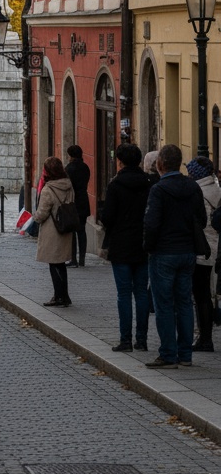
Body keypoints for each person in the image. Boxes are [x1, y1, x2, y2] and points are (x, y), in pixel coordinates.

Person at [143, 144, 206, 367]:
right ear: (179, 163)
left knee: (164, 305)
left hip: (163, 253)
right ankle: (185, 355)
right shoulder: (193, 187)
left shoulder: (159, 190)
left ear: (160, 164)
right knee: (185, 303)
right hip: (187, 252)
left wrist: (148, 246)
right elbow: (202, 219)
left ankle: (168, 354)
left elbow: (151, 224)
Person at [100, 144, 151, 353]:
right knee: (141, 293)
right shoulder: (149, 184)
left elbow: (107, 218)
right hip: (144, 244)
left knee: (124, 294)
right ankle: (142, 340)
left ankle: (126, 340)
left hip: (121, 245)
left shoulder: (115, 186)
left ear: (120, 161)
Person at [32, 157, 77, 307]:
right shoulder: (69, 185)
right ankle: (64, 295)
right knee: (61, 263)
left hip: (53, 229)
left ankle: (59, 296)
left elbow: (42, 213)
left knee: (54, 264)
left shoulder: (48, 189)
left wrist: (34, 217)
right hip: (66, 227)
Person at [186, 157, 219, 351]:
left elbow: (201, 223)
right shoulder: (216, 188)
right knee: (206, 294)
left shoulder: (200, 192)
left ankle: (205, 338)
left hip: (203, 249)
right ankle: (205, 336)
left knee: (201, 295)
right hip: (214, 247)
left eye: (190, 171)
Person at [65, 145, 91, 266]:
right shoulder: (85, 167)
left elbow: (67, 186)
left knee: (72, 231)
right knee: (82, 231)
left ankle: (73, 259)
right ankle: (82, 259)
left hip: (73, 202)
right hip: (84, 201)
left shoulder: (69, 169)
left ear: (71, 155)